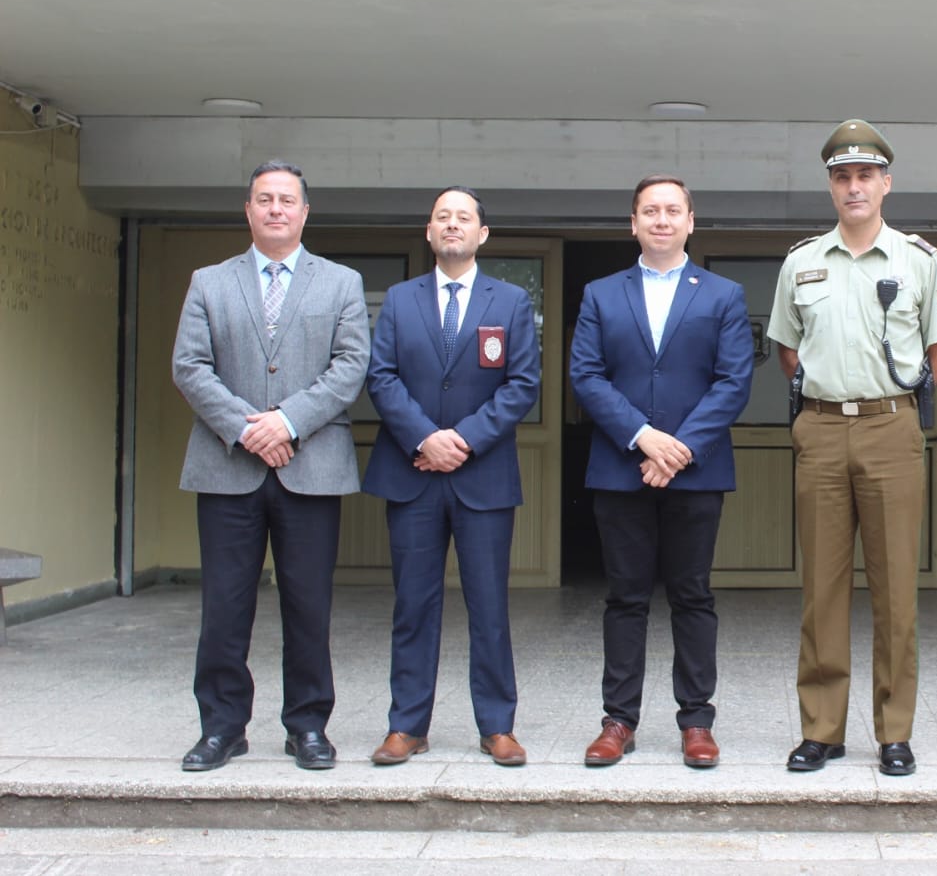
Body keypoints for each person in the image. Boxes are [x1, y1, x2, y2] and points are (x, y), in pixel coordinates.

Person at [768, 119, 937, 777]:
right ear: (830, 186)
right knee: (821, 589)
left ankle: (894, 732)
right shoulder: (801, 262)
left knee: (896, 589)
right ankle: (822, 730)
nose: (854, 187)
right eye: (843, 176)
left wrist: (887, 405)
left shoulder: (918, 261)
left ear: (885, 183)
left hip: (889, 428)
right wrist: (826, 400)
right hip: (820, 428)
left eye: (865, 175)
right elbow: (787, 350)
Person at [172, 160, 370, 772]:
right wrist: (248, 428)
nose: (276, 209)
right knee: (224, 607)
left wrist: (286, 422)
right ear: (248, 210)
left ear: (305, 212)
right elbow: (189, 367)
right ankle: (222, 728)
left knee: (308, 607)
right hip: (226, 467)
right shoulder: (209, 282)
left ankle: (307, 726)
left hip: (311, 469)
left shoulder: (341, 282)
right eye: (265, 199)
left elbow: (350, 366)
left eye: (287, 200)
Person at [569, 175, 754, 769]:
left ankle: (696, 721)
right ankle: (618, 720)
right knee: (624, 598)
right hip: (620, 467)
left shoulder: (723, 294)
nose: (662, 220)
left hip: (696, 473)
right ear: (634, 223)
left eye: (673, 210)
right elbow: (586, 375)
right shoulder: (601, 294)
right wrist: (643, 437)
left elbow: (733, 381)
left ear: (690, 222)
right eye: (650, 211)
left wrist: (679, 449)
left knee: (692, 595)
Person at [363, 186, 540, 768]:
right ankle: (407, 725)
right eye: (443, 217)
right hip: (411, 473)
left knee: (489, 607)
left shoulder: (510, 301)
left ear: (482, 234)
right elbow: (381, 377)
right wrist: (425, 438)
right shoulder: (400, 299)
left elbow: (522, 384)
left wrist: (461, 440)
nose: (453, 225)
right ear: (429, 231)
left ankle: (497, 726)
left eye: (464, 218)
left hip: (481, 475)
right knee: (414, 606)